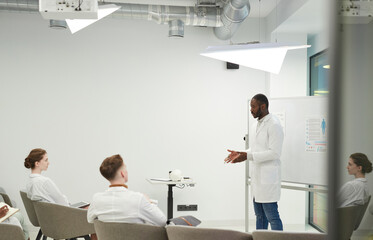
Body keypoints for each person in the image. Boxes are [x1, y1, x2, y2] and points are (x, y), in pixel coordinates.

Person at [224, 93, 284, 230]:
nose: (251, 110)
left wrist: (247, 156)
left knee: (272, 217)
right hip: (257, 179)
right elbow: (256, 148)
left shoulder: (274, 124)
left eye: (253, 106)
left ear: (263, 106)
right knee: (260, 216)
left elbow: (275, 153)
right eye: (250, 106)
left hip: (268, 180)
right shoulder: (255, 125)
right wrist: (241, 154)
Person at [87, 154, 167, 226]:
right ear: (123, 173)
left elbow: (90, 220)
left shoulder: (97, 199)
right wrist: (149, 202)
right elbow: (162, 221)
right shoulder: (138, 199)